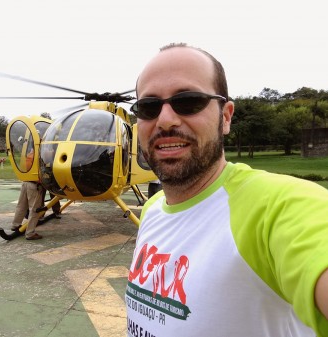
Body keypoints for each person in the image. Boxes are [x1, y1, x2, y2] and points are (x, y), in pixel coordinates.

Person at [125, 42, 328, 337]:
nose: (165, 120)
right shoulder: (153, 209)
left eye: (189, 100)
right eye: (148, 107)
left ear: (226, 116)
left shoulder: (278, 206)